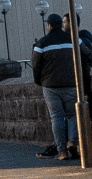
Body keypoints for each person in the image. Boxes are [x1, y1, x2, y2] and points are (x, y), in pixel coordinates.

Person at [31, 13, 82, 161]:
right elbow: (86, 54)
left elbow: (35, 64)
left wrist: (39, 81)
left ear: (49, 26)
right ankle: (72, 143)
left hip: (50, 86)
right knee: (72, 115)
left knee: (57, 117)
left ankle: (62, 151)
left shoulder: (42, 43)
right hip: (71, 84)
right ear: (61, 24)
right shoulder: (73, 40)